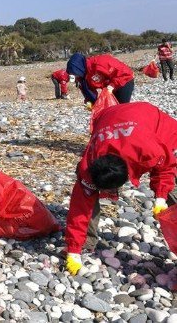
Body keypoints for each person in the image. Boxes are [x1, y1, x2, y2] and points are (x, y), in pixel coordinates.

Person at [64, 102, 177, 276]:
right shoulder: (88, 166)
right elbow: (80, 207)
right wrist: (73, 251)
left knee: (172, 188)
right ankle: (85, 243)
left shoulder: (148, 150)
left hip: (151, 119)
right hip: (108, 116)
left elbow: (166, 166)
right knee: (85, 194)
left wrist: (161, 197)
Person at [66, 52, 135, 108]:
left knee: (122, 107)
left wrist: (112, 85)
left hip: (124, 81)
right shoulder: (83, 75)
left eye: (75, 73)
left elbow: (124, 73)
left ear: (79, 67)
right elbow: (88, 90)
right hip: (110, 86)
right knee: (112, 108)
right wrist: (90, 103)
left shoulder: (101, 62)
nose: (76, 76)